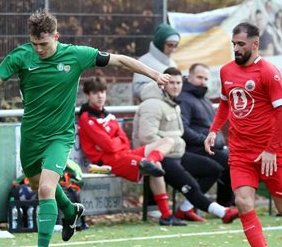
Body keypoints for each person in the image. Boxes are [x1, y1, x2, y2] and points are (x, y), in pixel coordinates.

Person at [0, 9, 172, 247]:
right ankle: (71, 211)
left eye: (43, 44)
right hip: (31, 137)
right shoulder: (21, 56)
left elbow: (120, 61)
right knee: (37, 183)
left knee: (46, 189)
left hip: (59, 136)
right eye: (34, 44)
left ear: (56, 36)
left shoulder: (76, 55)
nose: (39, 49)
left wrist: (155, 74)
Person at [205, 22, 282, 247]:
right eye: (233, 44)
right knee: (243, 201)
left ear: (255, 44)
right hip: (240, 152)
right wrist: (213, 131)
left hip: (270, 152)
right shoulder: (226, 71)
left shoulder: (269, 72)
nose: (236, 48)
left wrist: (270, 148)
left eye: (241, 44)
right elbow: (225, 104)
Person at [133, 67, 239, 223]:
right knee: (189, 185)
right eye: (171, 83)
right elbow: (147, 138)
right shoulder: (153, 105)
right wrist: (173, 145)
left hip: (177, 153)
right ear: (162, 84)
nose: (176, 86)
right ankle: (223, 212)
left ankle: (185, 209)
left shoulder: (172, 103)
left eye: (178, 83)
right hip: (159, 156)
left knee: (213, 169)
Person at [78, 77, 186, 227]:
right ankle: (166, 215)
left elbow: (124, 140)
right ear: (88, 95)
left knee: (168, 141)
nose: (100, 96)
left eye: (102, 92)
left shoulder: (108, 115)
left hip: (125, 154)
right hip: (107, 162)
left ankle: (151, 160)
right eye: (95, 93)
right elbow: (109, 146)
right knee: (157, 168)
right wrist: (116, 141)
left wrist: (116, 141)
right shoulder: (86, 118)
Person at [177, 63, 234, 207]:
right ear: (189, 77)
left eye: (206, 78)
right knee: (229, 161)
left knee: (234, 159)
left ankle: (226, 204)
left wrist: (218, 140)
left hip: (210, 147)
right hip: (194, 149)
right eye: (199, 77)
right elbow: (183, 129)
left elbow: (214, 126)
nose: (202, 81)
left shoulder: (204, 99)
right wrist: (206, 141)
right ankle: (195, 205)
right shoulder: (183, 99)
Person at [132, 23, 180, 100]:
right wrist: (160, 88)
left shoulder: (173, 63)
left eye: (176, 45)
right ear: (160, 42)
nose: (173, 49)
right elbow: (137, 89)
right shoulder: (144, 61)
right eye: (170, 45)